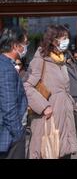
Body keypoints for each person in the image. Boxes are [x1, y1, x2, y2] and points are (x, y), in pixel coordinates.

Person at [24, 25, 77, 159]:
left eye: (67, 38)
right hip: (48, 118)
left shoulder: (61, 59)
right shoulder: (40, 59)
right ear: (53, 40)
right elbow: (27, 86)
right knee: (48, 152)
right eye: (64, 38)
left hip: (64, 117)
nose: (67, 41)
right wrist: (44, 107)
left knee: (63, 152)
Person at [0, 27, 28, 159]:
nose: (26, 46)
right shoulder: (6, 69)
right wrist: (18, 133)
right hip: (9, 137)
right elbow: (9, 107)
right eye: (25, 43)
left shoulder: (6, 64)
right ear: (15, 45)